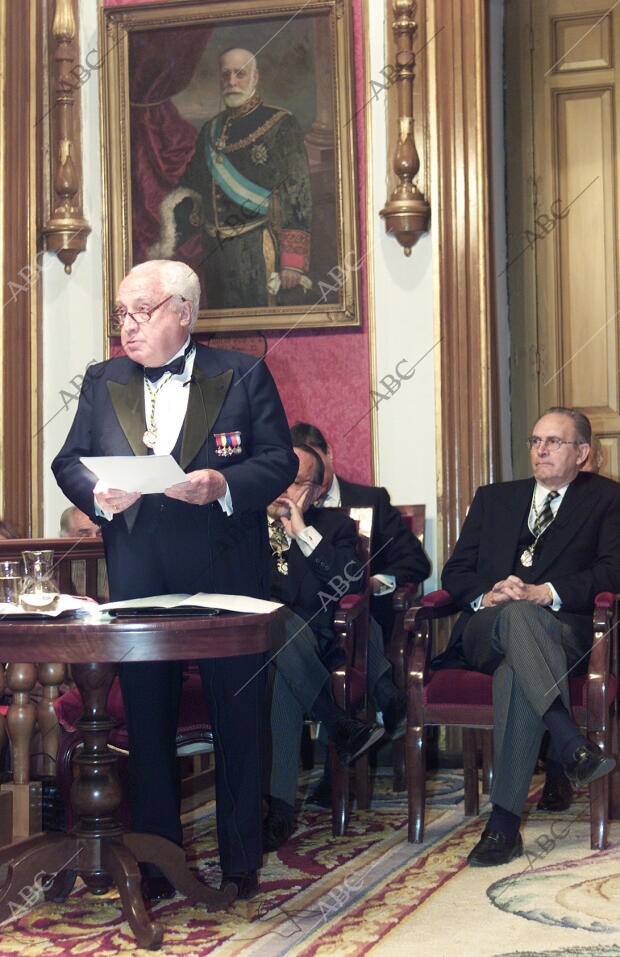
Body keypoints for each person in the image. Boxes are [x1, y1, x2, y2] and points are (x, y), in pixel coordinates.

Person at [52, 259, 298, 901]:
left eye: (140, 312)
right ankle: (158, 865)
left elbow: (278, 459)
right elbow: (68, 459)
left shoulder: (241, 372)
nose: (126, 328)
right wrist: (100, 497)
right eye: (120, 315)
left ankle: (242, 863)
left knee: (239, 718)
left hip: (226, 574)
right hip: (139, 575)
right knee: (150, 723)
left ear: (182, 313)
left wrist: (224, 485)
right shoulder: (102, 379)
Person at [436, 407, 620, 866]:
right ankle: (567, 738)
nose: (540, 450)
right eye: (535, 441)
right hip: (486, 628)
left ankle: (502, 824)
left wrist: (548, 593)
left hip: (564, 632)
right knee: (515, 615)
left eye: (553, 442)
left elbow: (613, 570)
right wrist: (488, 593)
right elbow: (455, 571)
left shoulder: (606, 500)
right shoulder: (494, 498)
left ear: (582, 453)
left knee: (515, 669)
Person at [152, 48, 312, 309]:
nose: (232, 82)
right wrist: (168, 242)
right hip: (214, 252)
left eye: (240, 74)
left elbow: (298, 193)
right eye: (226, 75)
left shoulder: (280, 124)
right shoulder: (210, 130)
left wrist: (292, 262)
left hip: (256, 249)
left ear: (255, 77)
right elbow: (191, 186)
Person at [289, 422, 431, 644]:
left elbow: (415, 561)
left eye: (317, 467)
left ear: (329, 454)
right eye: (297, 478)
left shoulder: (372, 501)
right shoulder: (283, 511)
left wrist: (374, 583)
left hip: (363, 617)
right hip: (303, 619)